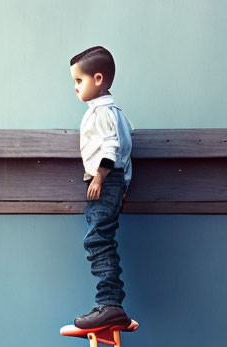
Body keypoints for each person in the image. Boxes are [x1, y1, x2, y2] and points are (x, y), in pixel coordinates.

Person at [70, 46, 134, 330]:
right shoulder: (115, 113)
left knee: (97, 240)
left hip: (104, 180)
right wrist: (124, 185)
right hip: (114, 182)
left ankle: (109, 304)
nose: (75, 88)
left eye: (78, 81)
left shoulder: (104, 113)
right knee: (100, 238)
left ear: (98, 79)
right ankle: (108, 302)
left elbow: (113, 147)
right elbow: (128, 148)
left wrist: (99, 178)